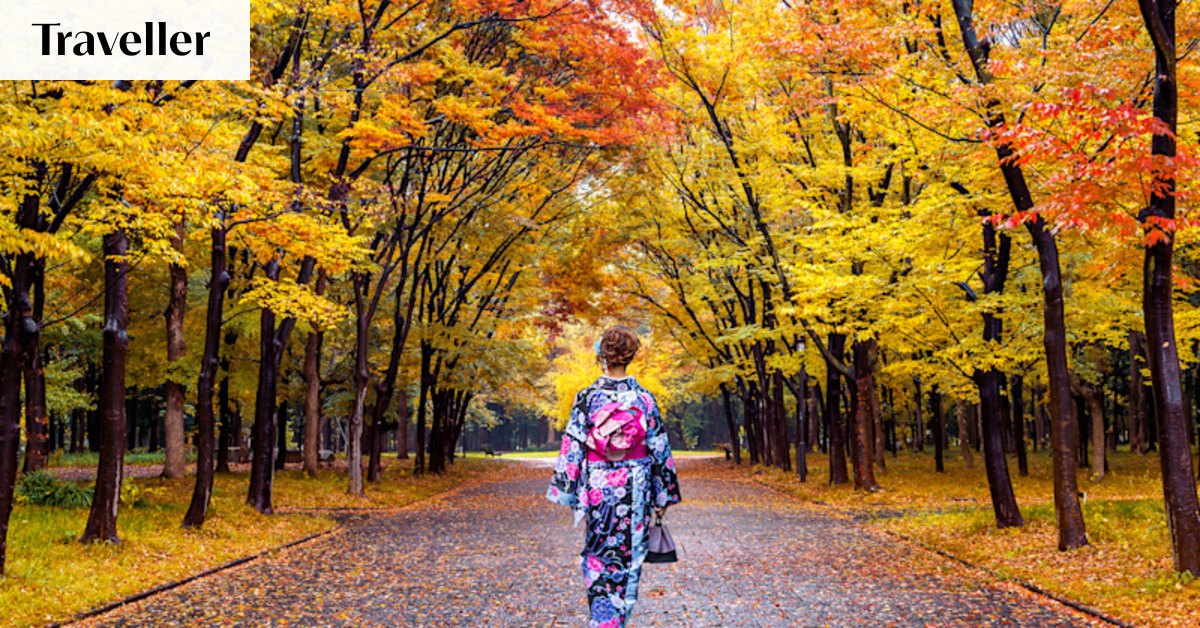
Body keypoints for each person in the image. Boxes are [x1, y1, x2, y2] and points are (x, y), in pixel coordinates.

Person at [547, 326, 681, 628]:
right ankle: (616, 620)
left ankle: (602, 619)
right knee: (630, 557)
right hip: (636, 487)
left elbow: (573, 446)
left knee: (597, 553)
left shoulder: (586, 398)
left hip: (598, 488)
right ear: (630, 356)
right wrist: (663, 496)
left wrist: (568, 491)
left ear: (602, 356)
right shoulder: (645, 399)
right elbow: (659, 448)